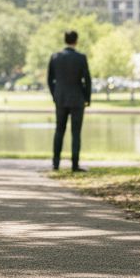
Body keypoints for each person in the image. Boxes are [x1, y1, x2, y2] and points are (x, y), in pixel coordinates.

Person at [48, 30, 92, 172]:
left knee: (59, 130)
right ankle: (75, 164)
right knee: (76, 132)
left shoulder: (55, 57)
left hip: (60, 98)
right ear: (76, 40)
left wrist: (55, 94)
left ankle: (55, 163)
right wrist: (87, 97)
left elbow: (50, 79)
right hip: (77, 98)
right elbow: (87, 80)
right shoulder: (81, 58)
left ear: (65, 40)